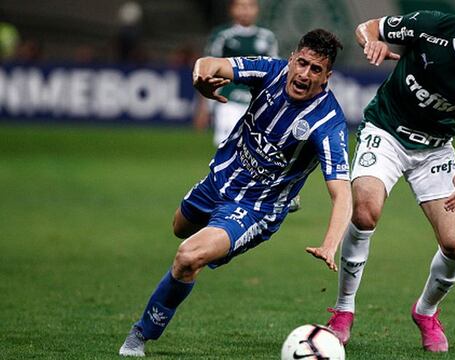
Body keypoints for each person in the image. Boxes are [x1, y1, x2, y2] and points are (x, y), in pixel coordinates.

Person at [119, 29, 351, 357]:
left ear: (327, 77)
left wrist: (331, 244)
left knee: (188, 256)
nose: (304, 74)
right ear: (291, 60)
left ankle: (140, 335)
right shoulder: (270, 72)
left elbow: (342, 193)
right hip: (220, 178)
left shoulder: (327, 123)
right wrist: (201, 78)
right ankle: (279, 200)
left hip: (257, 206)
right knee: (179, 228)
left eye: (316, 70)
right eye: (301, 63)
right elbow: (211, 63)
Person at [324, 0, 455, 353]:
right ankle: (343, 311)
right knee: (365, 211)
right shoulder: (429, 26)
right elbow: (367, 27)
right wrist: (372, 42)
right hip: (386, 131)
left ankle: (426, 312)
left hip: (436, 150)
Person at [193, 0, 278, 146]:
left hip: (257, 102)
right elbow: (207, 71)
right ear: (232, 9)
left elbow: (275, 73)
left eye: (250, 6)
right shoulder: (223, 36)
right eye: (241, 6)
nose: (246, 10)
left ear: (257, 9)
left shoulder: (267, 37)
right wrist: (204, 107)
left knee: (256, 150)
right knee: (227, 146)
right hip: (228, 100)